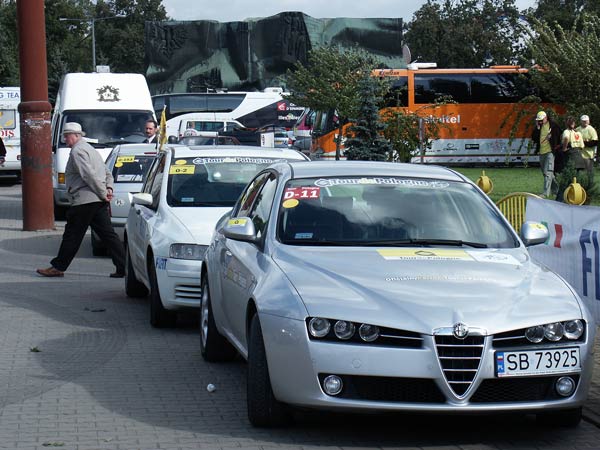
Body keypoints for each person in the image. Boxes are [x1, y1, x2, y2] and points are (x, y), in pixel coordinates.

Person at [37, 122, 125, 278]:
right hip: (97, 199)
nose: (65, 139)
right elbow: (107, 172)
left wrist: (103, 192)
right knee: (108, 236)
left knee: (72, 235)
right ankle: (124, 267)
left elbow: (88, 175)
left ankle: (58, 267)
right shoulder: (90, 149)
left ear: (76, 135)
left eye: (67, 135)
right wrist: (108, 189)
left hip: (85, 200)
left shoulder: (77, 151)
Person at [532, 111, 562, 198]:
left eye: (541, 120)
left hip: (550, 152)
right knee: (547, 174)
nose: (540, 122)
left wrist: (552, 138)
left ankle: (545, 193)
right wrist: (537, 127)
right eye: (539, 120)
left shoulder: (553, 126)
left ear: (546, 118)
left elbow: (560, 136)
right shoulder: (539, 127)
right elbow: (534, 138)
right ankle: (557, 190)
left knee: (548, 172)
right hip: (542, 152)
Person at [576, 114, 597, 179]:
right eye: (583, 121)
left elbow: (594, 142)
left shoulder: (591, 129)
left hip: (588, 154)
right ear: (580, 121)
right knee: (578, 172)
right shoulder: (577, 129)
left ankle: (589, 186)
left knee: (589, 172)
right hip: (579, 154)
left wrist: (583, 143)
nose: (585, 122)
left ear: (588, 121)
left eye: (586, 121)